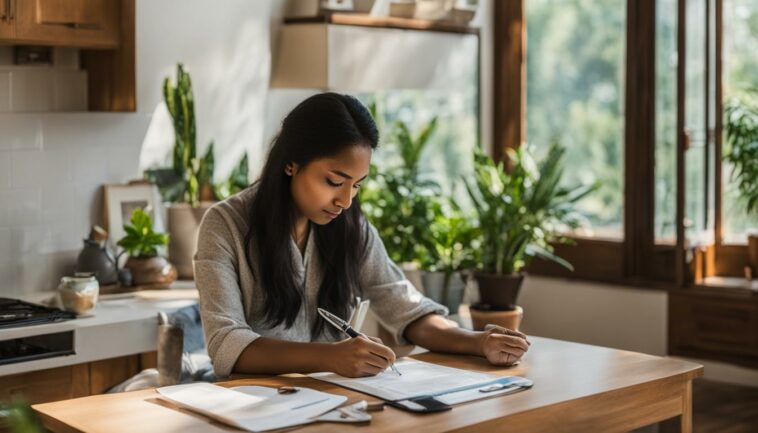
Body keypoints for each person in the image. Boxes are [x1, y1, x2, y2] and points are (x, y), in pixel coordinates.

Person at [194, 93, 530, 378]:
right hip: (254, 409)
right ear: (291, 163)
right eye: (334, 181)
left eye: (356, 185)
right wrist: (330, 357)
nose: (345, 200)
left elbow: (404, 306)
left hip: (333, 404)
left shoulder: (349, 225)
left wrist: (477, 342)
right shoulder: (224, 225)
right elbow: (226, 343)